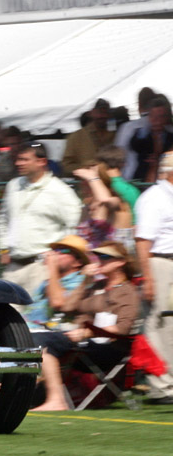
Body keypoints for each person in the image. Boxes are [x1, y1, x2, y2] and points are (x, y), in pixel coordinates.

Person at [30, 241, 140, 411]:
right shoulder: (97, 286)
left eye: (105, 257)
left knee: (40, 340)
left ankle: (57, 400)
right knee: (31, 339)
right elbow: (68, 307)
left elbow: (123, 328)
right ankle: (30, 395)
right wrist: (85, 281)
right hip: (84, 342)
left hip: (107, 348)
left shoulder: (127, 292)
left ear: (120, 262)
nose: (99, 260)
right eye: (98, 257)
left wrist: (87, 332)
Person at [0, 142, 82, 294]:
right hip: (13, 267)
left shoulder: (60, 191)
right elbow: (2, 219)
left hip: (42, 268)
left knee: (36, 317)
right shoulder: (13, 185)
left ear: (41, 161)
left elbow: (75, 227)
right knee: (6, 315)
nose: (18, 163)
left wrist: (59, 258)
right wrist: (3, 249)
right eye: (17, 159)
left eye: (24, 159)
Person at [133, 151, 173, 403]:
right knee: (159, 324)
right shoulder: (154, 198)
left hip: (167, 262)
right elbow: (142, 241)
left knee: (169, 325)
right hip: (159, 262)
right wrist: (147, 277)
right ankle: (162, 386)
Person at [71, 161, 133, 249]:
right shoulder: (86, 209)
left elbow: (104, 199)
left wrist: (93, 178)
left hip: (115, 258)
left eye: (86, 181)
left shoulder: (117, 202)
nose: (82, 184)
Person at [62, 98, 113, 176]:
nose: (103, 116)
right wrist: (85, 169)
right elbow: (66, 166)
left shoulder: (115, 135)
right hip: (87, 183)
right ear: (91, 113)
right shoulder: (76, 137)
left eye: (105, 112)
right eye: (99, 112)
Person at [128, 95, 173, 182]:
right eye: (153, 116)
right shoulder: (141, 135)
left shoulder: (171, 137)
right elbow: (135, 146)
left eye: (160, 116)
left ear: (166, 117)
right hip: (142, 179)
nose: (157, 120)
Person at [115, 87, 157, 179]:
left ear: (139, 104)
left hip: (131, 177)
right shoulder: (166, 126)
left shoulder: (128, 127)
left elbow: (117, 154)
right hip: (159, 178)